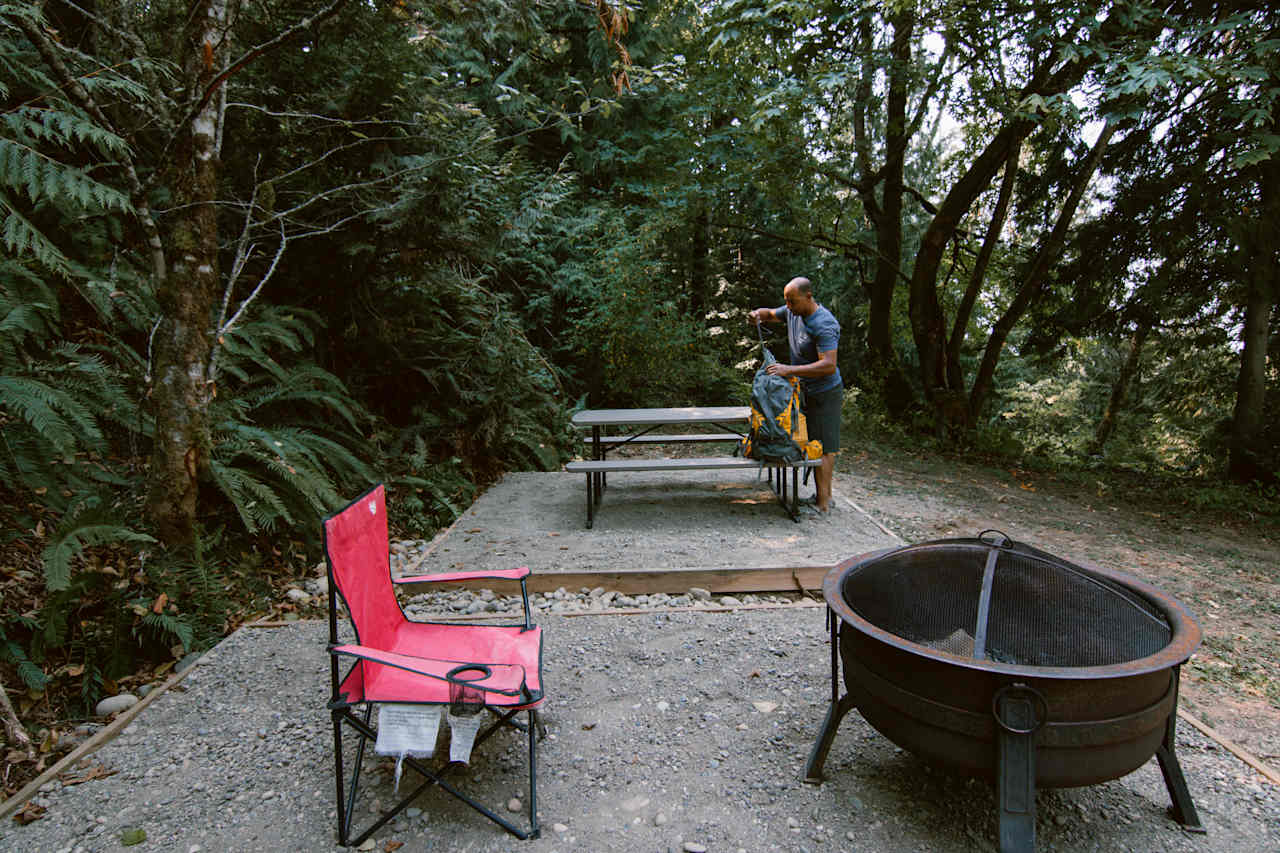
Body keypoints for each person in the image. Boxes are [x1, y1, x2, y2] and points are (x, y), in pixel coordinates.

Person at [748, 277, 842, 512]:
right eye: (786, 301)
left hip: (825, 391)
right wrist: (757, 314)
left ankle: (823, 503)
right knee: (809, 442)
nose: (788, 306)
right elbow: (770, 313)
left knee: (825, 446)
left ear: (808, 297)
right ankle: (824, 497)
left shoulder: (823, 323)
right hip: (803, 390)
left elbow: (829, 365)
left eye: (792, 301)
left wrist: (788, 370)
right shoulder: (793, 311)